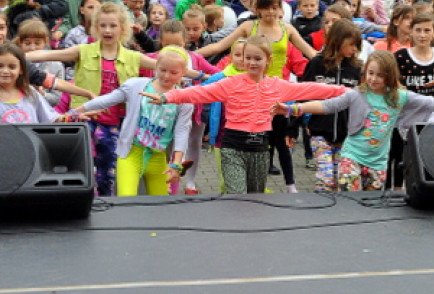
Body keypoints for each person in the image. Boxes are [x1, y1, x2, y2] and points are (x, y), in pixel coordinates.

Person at [147, 35, 346, 194]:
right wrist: (167, 97)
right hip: (232, 148)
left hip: (260, 150)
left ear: (268, 61)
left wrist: (344, 91)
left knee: (255, 199)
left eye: (257, 59)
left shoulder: (276, 86)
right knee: (237, 196)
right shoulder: (231, 83)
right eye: (248, 58)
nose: (252, 62)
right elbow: (199, 92)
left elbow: (310, 89)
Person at [278, 50, 434, 191]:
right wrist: (294, 109)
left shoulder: (399, 97)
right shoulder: (356, 94)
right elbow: (327, 105)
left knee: (371, 205)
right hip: (352, 156)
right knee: (350, 198)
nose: (374, 79)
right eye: (370, 73)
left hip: (378, 162)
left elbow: (431, 102)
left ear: (390, 76)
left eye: (380, 75)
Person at [69, 46, 194, 196]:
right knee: (126, 200)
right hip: (131, 154)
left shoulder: (184, 100)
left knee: (161, 204)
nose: (166, 76)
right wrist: (76, 111)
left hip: (157, 157)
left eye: (173, 73)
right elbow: (106, 100)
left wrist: (176, 163)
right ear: (156, 66)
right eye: (162, 70)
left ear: (183, 72)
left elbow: (182, 131)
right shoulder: (136, 85)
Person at [300, 20, 365, 192]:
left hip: (347, 135)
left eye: (357, 45)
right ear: (338, 41)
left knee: (341, 180)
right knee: (325, 179)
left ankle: (337, 208)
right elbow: (302, 94)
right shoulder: (317, 64)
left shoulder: (357, 68)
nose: (354, 49)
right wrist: (299, 124)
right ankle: (321, 206)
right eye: (351, 44)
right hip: (320, 132)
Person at [0, 41, 57, 124]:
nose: (5, 71)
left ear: (21, 70)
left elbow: (51, 118)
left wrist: (71, 117)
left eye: (12, 67)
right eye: (0, 66)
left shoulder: (30, 93)